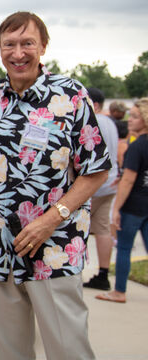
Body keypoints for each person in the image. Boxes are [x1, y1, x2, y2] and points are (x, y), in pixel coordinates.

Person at [0, 11, 110, 359]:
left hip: (54, 249)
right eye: (10, 44)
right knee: (9, 352)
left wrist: (52, 218)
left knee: (69, 349)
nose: (18, 53)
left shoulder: (69, 96)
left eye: (27, 43)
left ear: (43, 47)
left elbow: (96, 170)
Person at [95, 98, 148, 304]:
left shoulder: (136, 147)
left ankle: (119, 291)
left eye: (135, 117)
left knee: (124, 248)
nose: (129, 120)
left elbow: (129, 181)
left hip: (133, 205)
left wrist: (116, 209)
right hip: (146, 202)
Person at [82, 88, 119, 291]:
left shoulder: (93, 121)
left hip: (94, 186)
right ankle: (103, 273)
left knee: (79, 229)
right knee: (103, 229)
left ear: (94, 104)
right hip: (110, 183)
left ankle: (75, 271)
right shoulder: (110, 122)